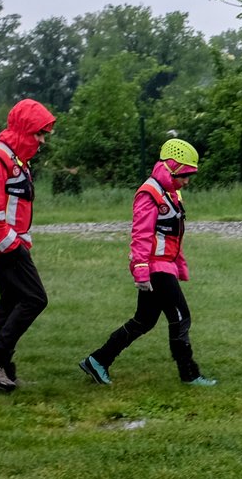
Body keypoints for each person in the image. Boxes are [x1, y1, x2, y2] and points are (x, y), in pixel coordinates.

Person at [78, 138, 215, 387]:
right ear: (172, 167)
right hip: (154, 269)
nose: (187, 180)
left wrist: (180, 265)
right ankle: (189, 373)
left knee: (144, 321)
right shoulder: (149, 193)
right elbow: (141, 234)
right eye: (184, 174)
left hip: (164, 267)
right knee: (181, 317)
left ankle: (97, 361)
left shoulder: (172, 192)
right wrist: (141, 270)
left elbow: (174, 235)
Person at [0, 98, 56, 392]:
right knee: (35, 299)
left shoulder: (17, 161)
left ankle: (3, 369)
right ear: (24, 130)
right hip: (3, 246)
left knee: (10, 303)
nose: (41, 141)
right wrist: (15, 247)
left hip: (9, 244)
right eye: (38, 134)